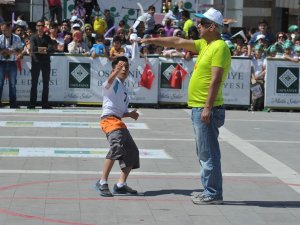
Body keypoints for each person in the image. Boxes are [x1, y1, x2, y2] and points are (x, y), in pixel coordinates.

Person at [141, 7, 231, 204]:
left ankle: (213, 193)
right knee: (204, 152)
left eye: (202, 23)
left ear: (212, 27)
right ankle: (210, 190)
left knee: (208, 153)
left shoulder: (219, 47)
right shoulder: (205, 44)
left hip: (207, 108)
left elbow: (215, 80)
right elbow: (178, 42)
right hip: (200, 107)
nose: (198, 26)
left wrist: (207, 107)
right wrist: (151, 40)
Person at [96, 56, 140, 197]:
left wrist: (130, 114)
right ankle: (102, 182)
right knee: (116, 147)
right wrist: (116, 71)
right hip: (109, 120)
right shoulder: (113, 81)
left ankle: (121, 185)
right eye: (121, 67)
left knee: (132, 152)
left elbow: (119, 110)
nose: (125, 69)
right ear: (114, 69)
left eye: (126, 67)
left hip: (118, 121)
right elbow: (108, 82)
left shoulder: (123, 87)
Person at [28, 20, 55, 109]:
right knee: (34, 83)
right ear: (36, 27)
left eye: (42, 25)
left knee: (46, 83)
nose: (40, 27)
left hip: (46, 62)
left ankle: (45, 104)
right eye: (38, 25)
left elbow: (51, 49)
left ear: (44, 27)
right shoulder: (33, 37)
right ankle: (32, 104)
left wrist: (41, 50)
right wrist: (44, 49)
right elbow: (33, 48)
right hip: (36, 62)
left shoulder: (48, 38)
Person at [0, 22, 23, 108]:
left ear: (10, 29)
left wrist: (12, 51)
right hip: (1, 62)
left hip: (12, 62)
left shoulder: (16, 38)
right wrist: (4, 51)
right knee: (0, 83)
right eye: (3, 30)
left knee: (12, 84)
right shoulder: (0, 38)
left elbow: (20, 50)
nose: (4, 32)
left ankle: (13, 104)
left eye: (5, 30)